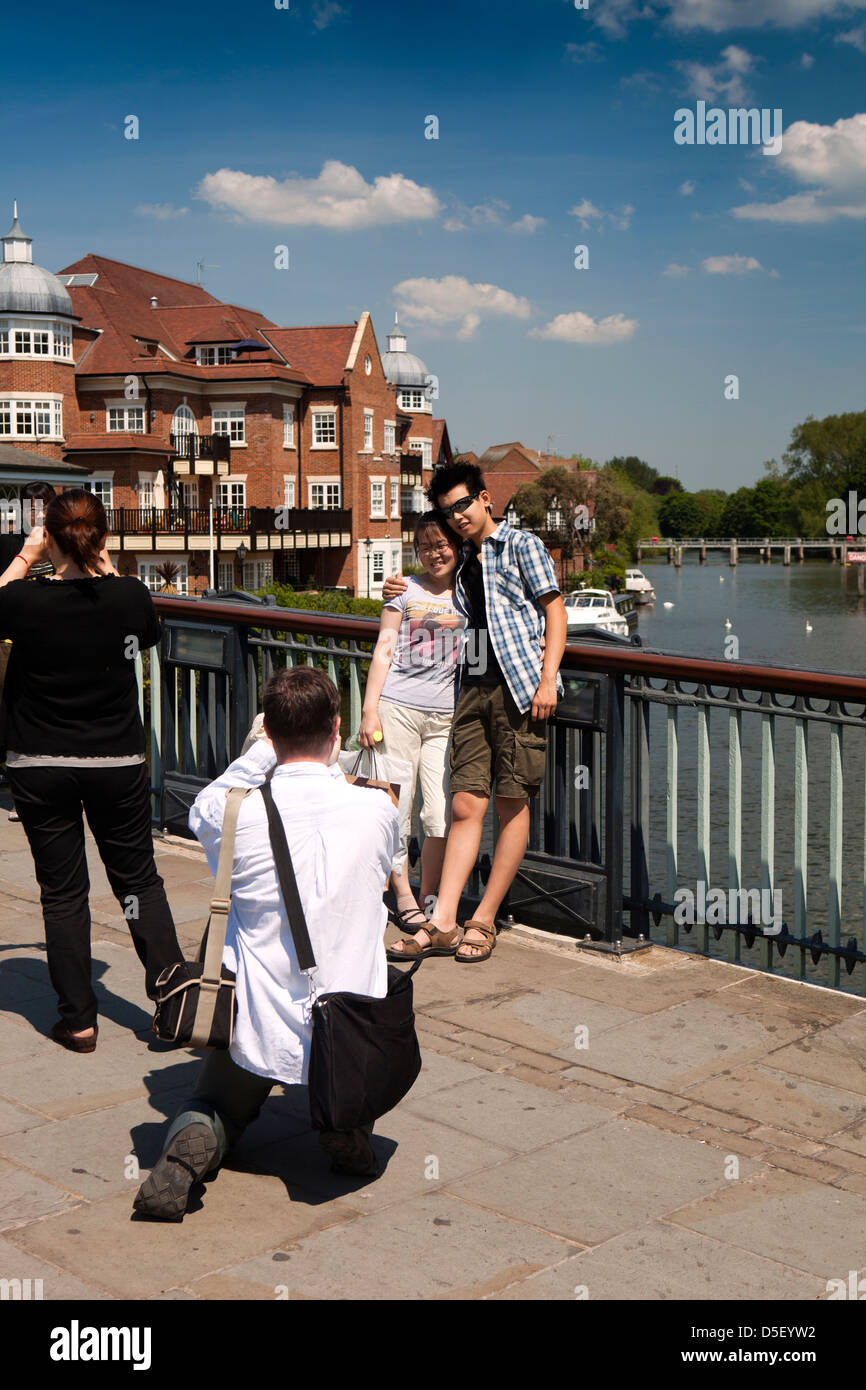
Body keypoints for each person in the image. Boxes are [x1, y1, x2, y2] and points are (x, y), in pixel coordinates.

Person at [133, 666, 400, 1221]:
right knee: (375, 981)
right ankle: (345, 1122)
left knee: (214, 1102)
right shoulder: (379, 808)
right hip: (349, 1020)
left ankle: (189, 1152)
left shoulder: (230, 813)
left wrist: (260, 750)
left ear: (269, 734)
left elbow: (212, 798)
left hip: (257, 1013)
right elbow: (385, 874)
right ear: (336, 730)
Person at [0, 488, 183, 1051]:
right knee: (137, 882)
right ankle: (174, 1006)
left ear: (50, 535)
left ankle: (78, 1019)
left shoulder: (25, 601)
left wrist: (29, 554)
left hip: (41, 761)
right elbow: (147, 629)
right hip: (116, 761)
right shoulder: (128, 596)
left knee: (63, 892)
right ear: (102, 539)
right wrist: (103, 563)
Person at [383, 461, 567, 964]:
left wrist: (548, 679)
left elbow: (555, 610)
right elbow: (433, 576)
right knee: (466, 803)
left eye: (464, 504)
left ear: (485, 498)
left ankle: (482, 919)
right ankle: (443, 920)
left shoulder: (522, 545)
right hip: (468, 691)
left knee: (512, 803)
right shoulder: (462, 555)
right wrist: (398, 588)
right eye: (449, 510)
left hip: (518, 689)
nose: (458, 516)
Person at [358, 510, 465, 938]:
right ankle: (402, 895)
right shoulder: (403, 591)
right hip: (398, 708)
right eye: (425, 547)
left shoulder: (469, 593)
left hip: (446, 718)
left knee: (439, 814)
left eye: (441, 545)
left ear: (456, 545)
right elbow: (384, 650)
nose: (434, 553)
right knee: (397, 808)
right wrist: (370, 710)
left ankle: (430, 896)